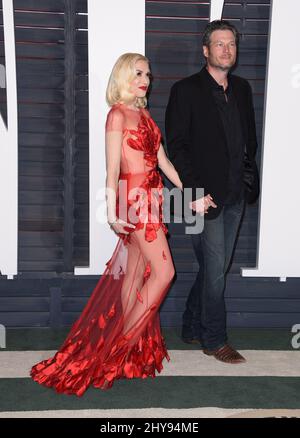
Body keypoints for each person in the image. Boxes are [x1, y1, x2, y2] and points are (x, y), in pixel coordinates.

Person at [30, 53, 212, 396]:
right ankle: (121, 346)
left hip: (153, 201)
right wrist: (112, 211)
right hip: (134, 203)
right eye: (138, 72)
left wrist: (192, 195)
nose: (146, 78)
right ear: (122, 77)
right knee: (164, 273)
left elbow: (163, 162)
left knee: (134, 278)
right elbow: (112, 169)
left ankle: (122, 347)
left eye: (148, 73)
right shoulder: (117, 115)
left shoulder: (143, 114)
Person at [165, 20, 259, 364]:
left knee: (213, 268)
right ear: (205, 50)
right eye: (219, 44)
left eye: (231, 44)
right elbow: (176, 146)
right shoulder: (185, 90)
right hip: (199, 199)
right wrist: (193, 192)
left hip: (236, 195)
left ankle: (191, 324)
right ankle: (214, 339)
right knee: (216, 267)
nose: (226, 50)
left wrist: (249, 178)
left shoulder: (244, 89)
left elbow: (250, 140)